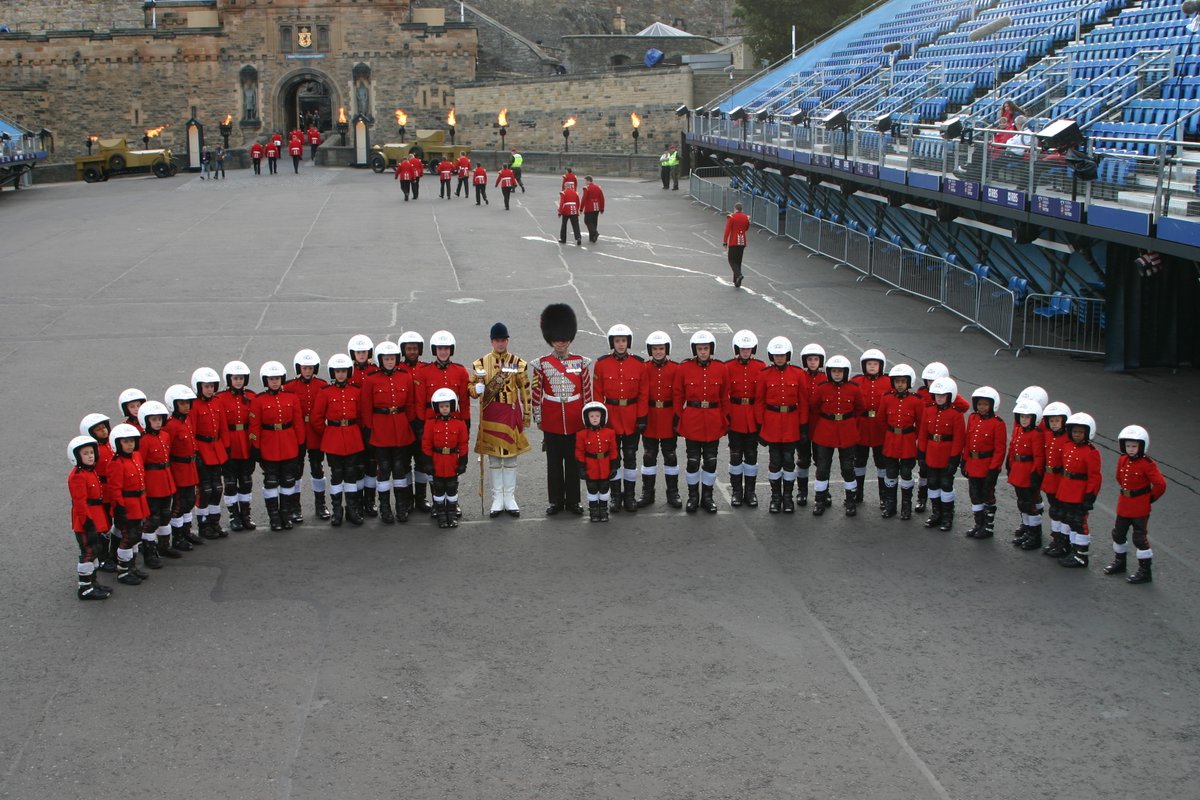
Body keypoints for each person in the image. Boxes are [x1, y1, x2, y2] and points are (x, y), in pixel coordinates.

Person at [531, 304, 593, 516]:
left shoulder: (581, 363)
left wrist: (588, 419)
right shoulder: (542, 364)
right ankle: (555, 501)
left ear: (570, 338)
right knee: (554, 465)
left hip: (575, 420)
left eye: (564, 338)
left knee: (574, 464)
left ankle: (574, 501)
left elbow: (587, 393)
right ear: (551, 339)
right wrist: (539, 418)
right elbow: (536, 394)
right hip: (552, 420)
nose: (561, 342)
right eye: (557, 338)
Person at [469, 322, 531, 518]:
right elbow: (471, 388)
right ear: (492, 341)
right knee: (494, 458)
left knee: (511, 458)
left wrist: (527, 414)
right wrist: (475, 390)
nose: (500, 343)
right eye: (497, 340)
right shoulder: (480, 364)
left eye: (503, 340)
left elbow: (525, 390)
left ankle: (509, 497)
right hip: (491, 413)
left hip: (510, 414)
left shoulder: (518, 363)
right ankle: (497, 498)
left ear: (507, 341)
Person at [360, 341, 418, 524]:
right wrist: (369, 432)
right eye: (386, 359)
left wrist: (410, 426)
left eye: (392, 358)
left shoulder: (405, 377)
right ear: (380, 360)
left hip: (400, 428)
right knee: (384, 470)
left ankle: (402, 506)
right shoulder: (371, 380)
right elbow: (366, 408)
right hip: (380, 430)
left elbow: (409, 404)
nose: (390, 362)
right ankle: (385, 507)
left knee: (400, 469)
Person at [674, 330, 730, 513]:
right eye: (700, 348)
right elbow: (678, 394)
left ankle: (707, 497)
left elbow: (725, 396)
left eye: (706, 348)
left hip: (713, 418)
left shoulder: (721, 368)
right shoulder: (684, 368)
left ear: (711, 349)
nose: (703, 352)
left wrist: (724, 417)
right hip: (693, 418)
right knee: (692, 460)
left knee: (711, 461)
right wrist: (679, 416)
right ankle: (693, 497)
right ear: (694, 349)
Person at [593, 323, 647, 513]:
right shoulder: (601, 364)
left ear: (628, 342)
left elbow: (642, 393)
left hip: (631, 416)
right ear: (612, 343)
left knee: (631, 457)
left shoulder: (639, 364)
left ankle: (630, 496)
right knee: (613, 459)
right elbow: (598, 394)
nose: (621, 344)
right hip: (611, 417)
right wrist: (600, 419)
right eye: (617, 341)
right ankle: (615, 497)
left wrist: (641, 417)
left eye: (624, 341)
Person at [1104, 425, 1166, 583]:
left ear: (1142, 446)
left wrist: (1148, 498)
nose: (1130, 449)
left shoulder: (1147, 464)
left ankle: (1145, 571)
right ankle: (1120, 562)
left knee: (1139, 539)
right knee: (1118, 534)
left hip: (1139, 507)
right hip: (1124, 504)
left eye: (1134, 446)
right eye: (1128, 446)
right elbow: (1120, 477)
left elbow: (1160, 484)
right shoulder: (1122, 459)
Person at [755, 336, 809, 514]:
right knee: (774, 461)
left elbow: (803, 402)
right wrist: (760, 426)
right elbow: (760, 402)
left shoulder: (798, 374)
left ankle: (788, 498)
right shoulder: (764, 374)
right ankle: (775, 497)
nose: (779, 358)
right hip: (772, 423)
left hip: (791, 422)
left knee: (789, 461)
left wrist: (802, 427)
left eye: (783, 355)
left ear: (788, 355)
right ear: (772, 356)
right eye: (776, 355)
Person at [251, 361, 306, 530]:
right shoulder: (258, 401)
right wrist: (256, 447)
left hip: (289, 444)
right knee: (271, 482)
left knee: (288, 481)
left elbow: (298, 423)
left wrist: (300, 443)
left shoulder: (291, 398)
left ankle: (286, 514)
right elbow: (254, 426)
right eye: (271, 379)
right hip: (269, 446)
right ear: (265, 380)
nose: (274, 382)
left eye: (277, 378)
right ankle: (274, 517)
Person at [312, 353, 366, 526]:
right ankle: (337, 510)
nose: (341, 374)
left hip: (352, 436)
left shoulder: (356, 391)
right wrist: (328, 433)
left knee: (351, 474)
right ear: (332, 373)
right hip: (334, 437)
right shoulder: (325, 392)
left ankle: (352, 509)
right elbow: (317, 419)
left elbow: (361, 416)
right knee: (336, 475)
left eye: (343, 371)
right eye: (337, 371)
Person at [809, 355, 864, 517]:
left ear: (846, 372)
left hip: (846, 431)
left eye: (840, 371)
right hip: (826, 431)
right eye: (834, 371)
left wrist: (846, 419)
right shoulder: (822, 388)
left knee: (847, 468)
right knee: (822, 468)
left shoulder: (854, 388)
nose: (837, 374)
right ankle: (820, 500)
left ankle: (850, 501)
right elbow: (814, 406)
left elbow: (860, 408)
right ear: (829, 372)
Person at [283, 348, 332, 521]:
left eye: (310, 368)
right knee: (296, 471)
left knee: (317, 469)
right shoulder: (289, 387)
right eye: (304, 368)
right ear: (299, 369)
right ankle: (295, 507)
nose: (307, 371)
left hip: (315, 431)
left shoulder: (322, 385)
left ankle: (321, 504)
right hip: (298, 432)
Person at [637, 331, 682, 509]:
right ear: (650, 350)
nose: (658, 352)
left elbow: (679, 395)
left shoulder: (676, 369)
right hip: (650, 417)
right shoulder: (644, 368)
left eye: (661, 348)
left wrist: (678, 417)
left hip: (668, 416)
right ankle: (647, 492)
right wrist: (641, 417)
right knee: (649, 456)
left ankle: (673, 492)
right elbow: (641, 394)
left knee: (670, 456)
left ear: (667, 349)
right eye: (655, 349)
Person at [106, 424, 154, 582]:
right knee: (128, 537)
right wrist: (119, 509)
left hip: (139, 503)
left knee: (136, 536)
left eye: (132, 441)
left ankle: (131, 566)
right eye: (125, 442)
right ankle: (123, 571)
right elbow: (115, 489)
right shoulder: (116, 463)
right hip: (127, 506)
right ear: (117, 443)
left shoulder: (136, 456)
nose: (130, 444)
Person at [67, 436, 113, 600]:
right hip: (86, 520)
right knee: (88, 552)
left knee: (96, 550)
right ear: (77, 456)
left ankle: (93, 582)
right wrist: (88, 524)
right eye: (85, 453)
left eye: (92, 452)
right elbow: (80, 503)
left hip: (96, 515)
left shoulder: (90, 471)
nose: (90, 456)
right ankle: (85, 587)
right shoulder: (78, 476)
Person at [137, 400, 184, 562]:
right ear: (146, 421)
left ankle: (164, 547)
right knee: (152, 519)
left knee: (165, 515)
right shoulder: (143, 440)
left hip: (165, 480)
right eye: (154, 420)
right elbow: (140, 464)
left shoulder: (165, 435)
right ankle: (149, 552)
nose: (158, 423)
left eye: (160, 419)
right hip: (152, 483)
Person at [1055, 412, 1103, 568]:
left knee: (1079, 523)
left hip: (1079, 493)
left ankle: (1081, 555)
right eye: (1074, 431)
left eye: (1081, 432)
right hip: (1066, 489)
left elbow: (1094, 477)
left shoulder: (1091, 452)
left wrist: (1090, 496)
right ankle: (1071, 549)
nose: (1077, 435)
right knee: (1068, 519)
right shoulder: (1067, 446)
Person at [918, 377, 966, 531]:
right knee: (932, 483)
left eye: (942, 395)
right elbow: (923, 433)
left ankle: (947, 516)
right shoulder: (929, 410)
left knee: (945, 484)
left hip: (946, 454)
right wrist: (922, 454)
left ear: (950, 396)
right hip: (931, 453)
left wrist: (954, 459)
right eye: (937, 395)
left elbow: (959, 439)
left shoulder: (956, 414)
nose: (939, 398)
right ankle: (936, 513)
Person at [878, 364, 924, 519]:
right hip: (891, 440)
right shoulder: (886, 398)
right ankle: (890, 505)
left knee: (906, 473)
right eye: (897, 381)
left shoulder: (916, 401)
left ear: (908, 383)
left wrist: (912, 436)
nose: (900, 384)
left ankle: (906, 507)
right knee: (890, 473)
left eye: (903, 381)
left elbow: (920, 423)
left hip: (907, 441)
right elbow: (881, 420)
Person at [962, 386, 1008, 539]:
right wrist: (965, 461)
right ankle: (978, 524)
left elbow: (999, 449)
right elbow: (968, 441)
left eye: (985, 404)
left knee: (987, 495)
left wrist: (994, 469)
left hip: (987, 465)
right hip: (974, 464)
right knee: (974, 495)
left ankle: (988, 527)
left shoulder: (998, 423)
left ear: (992, 406)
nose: (982, 407)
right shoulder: (973, 418)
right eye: (980, 404)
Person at [725, 330, 763, 508]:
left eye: (748, 349)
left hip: (753, 416)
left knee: (751, 455)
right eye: (743, 349)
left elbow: (762, 395)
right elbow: (724, 394)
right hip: (736, 415)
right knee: (735, 456)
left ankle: (750, 492)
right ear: (737, 349)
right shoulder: (728, 367)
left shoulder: (760, 367)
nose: (746, 352)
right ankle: (737, 492)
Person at [423, 388, 470, 529]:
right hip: (437, 461)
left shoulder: (459, 423)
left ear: (452, 406)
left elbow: (463, 444)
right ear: (437, 407)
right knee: (438, 489)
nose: (444, 409)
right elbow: (426, 444)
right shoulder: (430, 423)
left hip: (451, 461)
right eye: (442, 406)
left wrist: (463, 462)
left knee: (451, 489)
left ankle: (452, 515)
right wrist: (428, 462)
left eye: (447, 406)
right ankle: (442, 516)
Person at [218, 360, 257, 532]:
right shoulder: (220, 398)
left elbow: (256, 422)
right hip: (230, 443)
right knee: (231, 482)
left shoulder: (252, 397)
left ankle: (246, 515)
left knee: (246, 481)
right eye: (235, 378)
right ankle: (234, 515)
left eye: (241, 378)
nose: (238, 381)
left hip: (246, 442)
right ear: (229, 379)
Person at [164, 384, 203, 548]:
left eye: (188, 403)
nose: (186, 406)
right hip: (179, 469)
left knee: (190, 501)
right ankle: (178, 537)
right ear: (173, 405)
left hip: (190, 468)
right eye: (182, 403)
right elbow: (168, 451)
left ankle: (186, 532)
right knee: (179, 505)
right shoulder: (171, 425)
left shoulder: (186, 421)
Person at [398, 331, 432, 512]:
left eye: (415, 349)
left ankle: (420, 498)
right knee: (403, 464)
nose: (412, 351)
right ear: (403, 351)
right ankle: (406, 500)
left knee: (421, 464)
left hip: (422, 424)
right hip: (404, 424)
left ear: (420, 350)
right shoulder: (397, 368)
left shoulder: (425, 369)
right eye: (408, 349)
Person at [1007, 398, 1046, 550]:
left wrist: (1036, 474)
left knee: (1031, 505)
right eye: (1022, 417)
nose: (1024, 420)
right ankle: (1028, 532)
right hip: (1018, 470)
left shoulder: (1036, 434)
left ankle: (1035, 535)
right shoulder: (1018, 430)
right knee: (1022, 503)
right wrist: (1010, 464)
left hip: (1028, 472)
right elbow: (1013, 449)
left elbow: (1039, 456)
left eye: (1027, 417)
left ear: (1034, 418)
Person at [851, 349, 889, 508]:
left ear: (881, 366)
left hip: (880, 427)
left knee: (881, 463)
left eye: (875, 364)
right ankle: (858, 492)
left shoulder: (888, 382)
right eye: (869, 364)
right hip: (862, 426)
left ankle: (884, 495)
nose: (872, 367)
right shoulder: (857, 380)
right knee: (859, 461)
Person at [347, 334, 379, 514]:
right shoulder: (346, 371)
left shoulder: (374, 371)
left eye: (364, 351)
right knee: (355, 466)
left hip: (371, 425)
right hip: (353, 427)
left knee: (371, 465)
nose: (361, 354)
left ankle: (370, 501)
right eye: (358, 352)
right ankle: (356, 501)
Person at [1039, 401, 1074, 558]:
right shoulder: (1047, 436)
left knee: (1064, 512)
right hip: (1050, 479)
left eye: (1057, 421)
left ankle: (1065, 542)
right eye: (1051, 421)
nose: (1054, 424)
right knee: (1054, 510)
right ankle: (1057, 539)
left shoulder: (1068, 439)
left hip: (1062, 480)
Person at [794, 343, 827, 506]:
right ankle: (802, 491)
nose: (812, 362)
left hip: (821, 425)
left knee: (822, 460)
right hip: (804, 423)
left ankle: (824, 491)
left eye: (816, 359)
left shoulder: (825, 379)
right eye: (809, 359)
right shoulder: (800, 376)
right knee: (803, 459)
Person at [576, 402, 618, 522]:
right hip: (591, 466)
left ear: (603, 417)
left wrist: (614, 466)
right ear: (586, 418)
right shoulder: (582, 435)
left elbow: (613, 450)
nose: (594, 419)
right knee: (592, 488)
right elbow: (579, 452)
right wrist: (581, 468)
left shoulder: (609, 433)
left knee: (604, 487)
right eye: (592, 416)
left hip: (605, 466)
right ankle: (594, 511)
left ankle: (603, 510)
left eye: (597, 416)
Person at [723, 202, 750, 288]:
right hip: (742, 242)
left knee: (731, 260)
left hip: (734, 241)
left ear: (735, 209)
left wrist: (725, 242)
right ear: (742, 209)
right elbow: (746, 228)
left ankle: (738, 275)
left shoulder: (731, 217)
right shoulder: (746, 217)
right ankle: (737, 282)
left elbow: (727, 230)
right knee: (738, 262)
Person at [581, 176, 605, 243]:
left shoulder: (587, 188)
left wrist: (581, 208)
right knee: (594, 222)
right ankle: (592, 238)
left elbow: (584, 199)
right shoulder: (598, 187)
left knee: (587, 221)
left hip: (589, 207)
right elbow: (602, 198)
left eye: (585, 181)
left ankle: (595, 233)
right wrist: (602, 207)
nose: (585, 182)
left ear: (589, 181)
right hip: (597, 207)